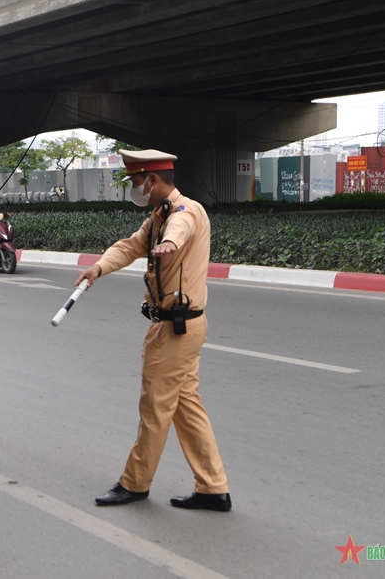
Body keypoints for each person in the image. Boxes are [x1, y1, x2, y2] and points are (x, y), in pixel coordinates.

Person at [74, 149, 231, 512]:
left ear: (153, 180)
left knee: (155, 409)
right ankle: (212, 487)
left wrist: (172, 242)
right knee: (186, 406)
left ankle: (135, 483)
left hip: (176, 330)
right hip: (181, 326)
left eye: (135, 181)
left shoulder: (183, 212)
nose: (134, 188)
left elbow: (182, 227)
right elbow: (130, 247)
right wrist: (98, 268)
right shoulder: (157, 217)